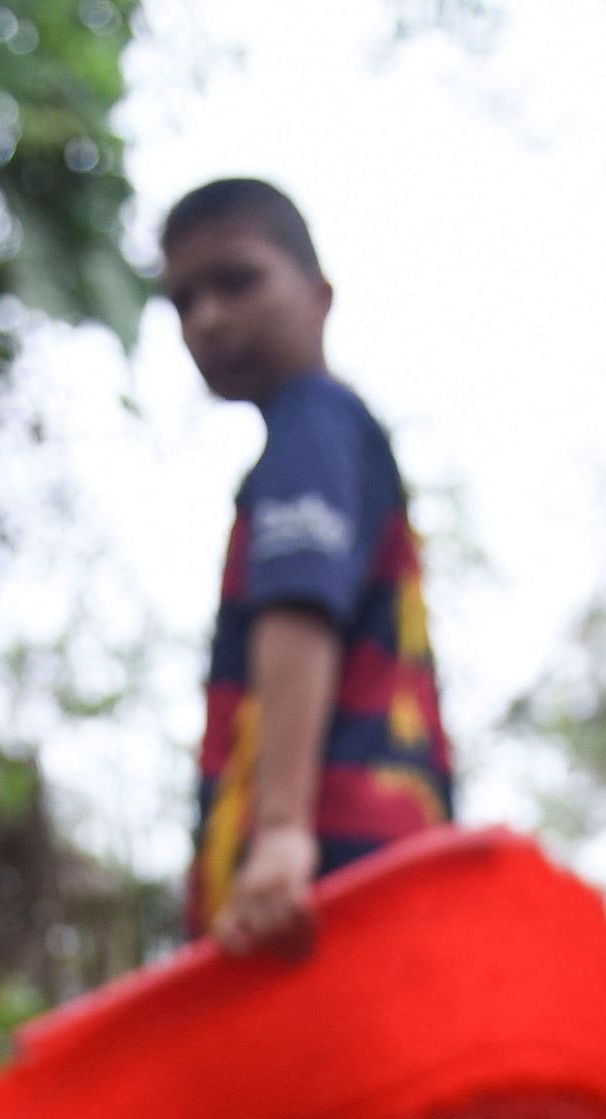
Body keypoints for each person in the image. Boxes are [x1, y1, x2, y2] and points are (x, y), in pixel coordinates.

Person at [158, 178, 454, 956]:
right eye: (183, 301)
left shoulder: (312, 422)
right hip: (379, 867)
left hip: (319, 879)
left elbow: (300, 608)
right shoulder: (340, 437)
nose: (207, 318)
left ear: (318, 293)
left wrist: (284, 829)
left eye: (236, 280)